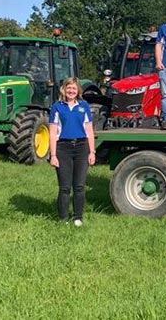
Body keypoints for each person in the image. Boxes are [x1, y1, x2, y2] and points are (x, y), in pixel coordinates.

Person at [48, 77, 96, 227]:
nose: (71, 91)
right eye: (69, 88)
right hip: (63, 148)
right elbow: (52, 132)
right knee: (64, 187)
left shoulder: (84, 106)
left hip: (82, 147)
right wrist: (53, 155)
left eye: (74, 88)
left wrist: (92, 152)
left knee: (79, 186)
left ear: (78, 91)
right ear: (64, 89)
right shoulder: (57, 107)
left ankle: (77, 217)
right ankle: (63, 218)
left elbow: (89, 130)